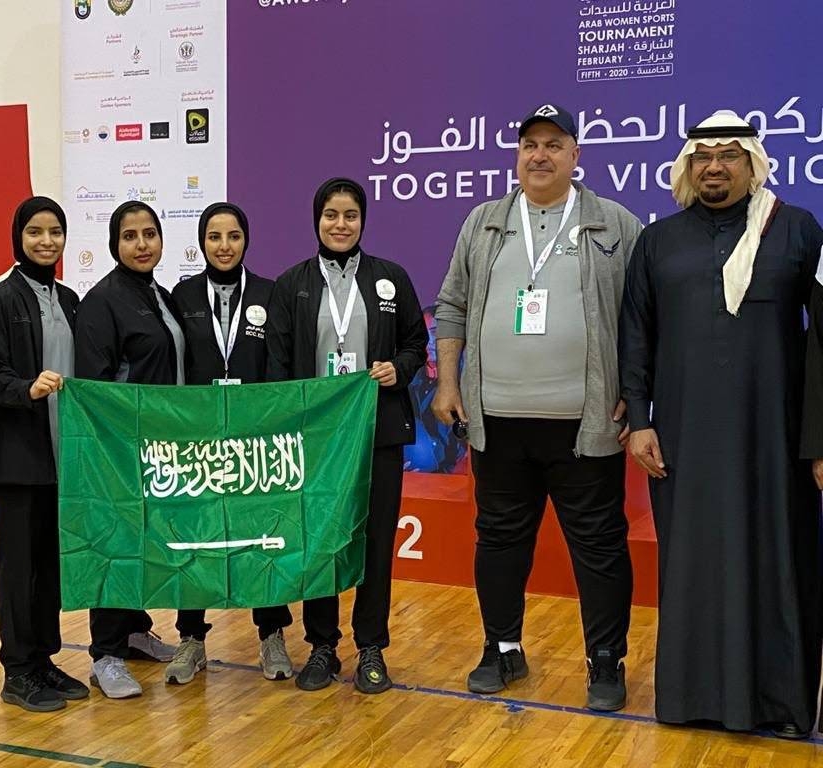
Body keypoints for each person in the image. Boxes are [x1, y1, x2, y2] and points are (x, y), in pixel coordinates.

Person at [621, 112, 823, 738]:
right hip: (683, 439)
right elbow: (636, 334)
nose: (715, 166)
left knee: (780, 562)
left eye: (730, 155)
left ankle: (781, 705)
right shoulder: (659, 241)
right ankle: (690, 699)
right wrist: (640, 419)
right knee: (691, 565)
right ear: (686, 167)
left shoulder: (797, 231)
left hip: (776, 443)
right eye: (703, 155)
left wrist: (819, 441)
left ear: (753, 163)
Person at [433, 104, 640, 712]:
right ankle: (502, 648)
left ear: (576, 155)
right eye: (529, 145)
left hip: (585, 424)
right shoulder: (484, 221)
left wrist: (635, 388)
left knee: (599, 545)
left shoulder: (614, 223)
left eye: (554, 144)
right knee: (498, 540)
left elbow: (640, 319)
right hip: (495, 421)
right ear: (517, 155)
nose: (540, 155)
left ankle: (606, 660)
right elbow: (452, 305)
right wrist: (448, 384)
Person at [266, 177, 427, 694]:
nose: (341, 224)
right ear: (317, 220)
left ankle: (372, 646)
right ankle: (322, 646)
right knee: (322, 543)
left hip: (376, 431)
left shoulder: (390, 279)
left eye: (350, 215)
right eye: (331, 215)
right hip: (316, 441)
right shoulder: (292, 285)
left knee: (377, 541)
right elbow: (277, 365)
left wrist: (397, 371)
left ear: (363, 221)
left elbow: (414, 342)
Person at [170, 202, 295, 684]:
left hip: (254, 440)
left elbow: (280, 365)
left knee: (263, 536)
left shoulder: (270, 293)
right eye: (215, 237)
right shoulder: (181, 296)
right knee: (194, 537)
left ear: (247, 240)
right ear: (202, 242)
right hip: (197, 443)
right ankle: (191, 638)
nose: (225, 246)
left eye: (234, 236)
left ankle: (271, 635)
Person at [0, 196, 91, 712]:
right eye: (35, 232)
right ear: (18, 238)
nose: (46, 241)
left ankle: (44, 659)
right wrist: (29, 388)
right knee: (18, 565)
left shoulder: (69, 300)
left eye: (55, 232)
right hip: (20, 458)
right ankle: (17, 670)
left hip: (61, 458)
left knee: (49, 565)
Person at [75, 201, 181, 698]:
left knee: (145, 543)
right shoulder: (103, 301)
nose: (141, 244)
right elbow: (97, 386)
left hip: (164, 447)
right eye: (130, 236)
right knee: (118, 544)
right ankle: (106, 654)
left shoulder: (162, 294)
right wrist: (119, 443)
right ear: (114, 244)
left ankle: (135, 629)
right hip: (124, 449)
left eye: (149, 234)